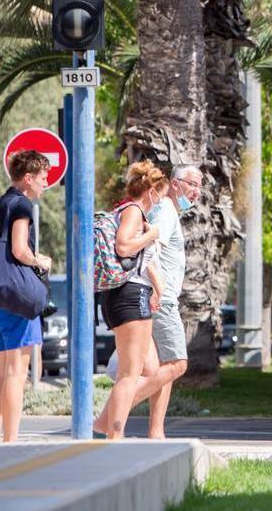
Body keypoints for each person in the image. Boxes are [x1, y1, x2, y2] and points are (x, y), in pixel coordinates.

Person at [108, 164, 201, 438]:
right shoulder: (165, 212)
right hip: (160, 299)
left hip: (157, 297)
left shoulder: (168, 212)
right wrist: (159, 290)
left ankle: (155, 432)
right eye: (192, 184)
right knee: (177, 365)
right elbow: (147, 252)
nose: (196, 192)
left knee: (160, 367)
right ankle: (111, 416)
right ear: (174, 184)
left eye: (199, 186)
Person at [0, 150, 52, 443]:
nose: (46, 183)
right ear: (28, 178)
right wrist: (41, 261)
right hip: (17, 298)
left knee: (1, 371)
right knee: (16, 372)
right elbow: (20, 249)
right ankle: (11, 439)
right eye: (43, 177)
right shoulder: (21, 205)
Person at [97, 161, 167, 439]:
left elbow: (140, 261)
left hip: (125, 293)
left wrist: (158, 290)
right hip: (130, 295)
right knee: (130, 372)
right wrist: (151, 234)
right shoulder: (134, 211)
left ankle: (109, 422)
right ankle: (114, 432)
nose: (160, 199)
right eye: (160, 193)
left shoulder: (124, 211)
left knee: (150, 370)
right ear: (150, 190)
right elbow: (124, 246)